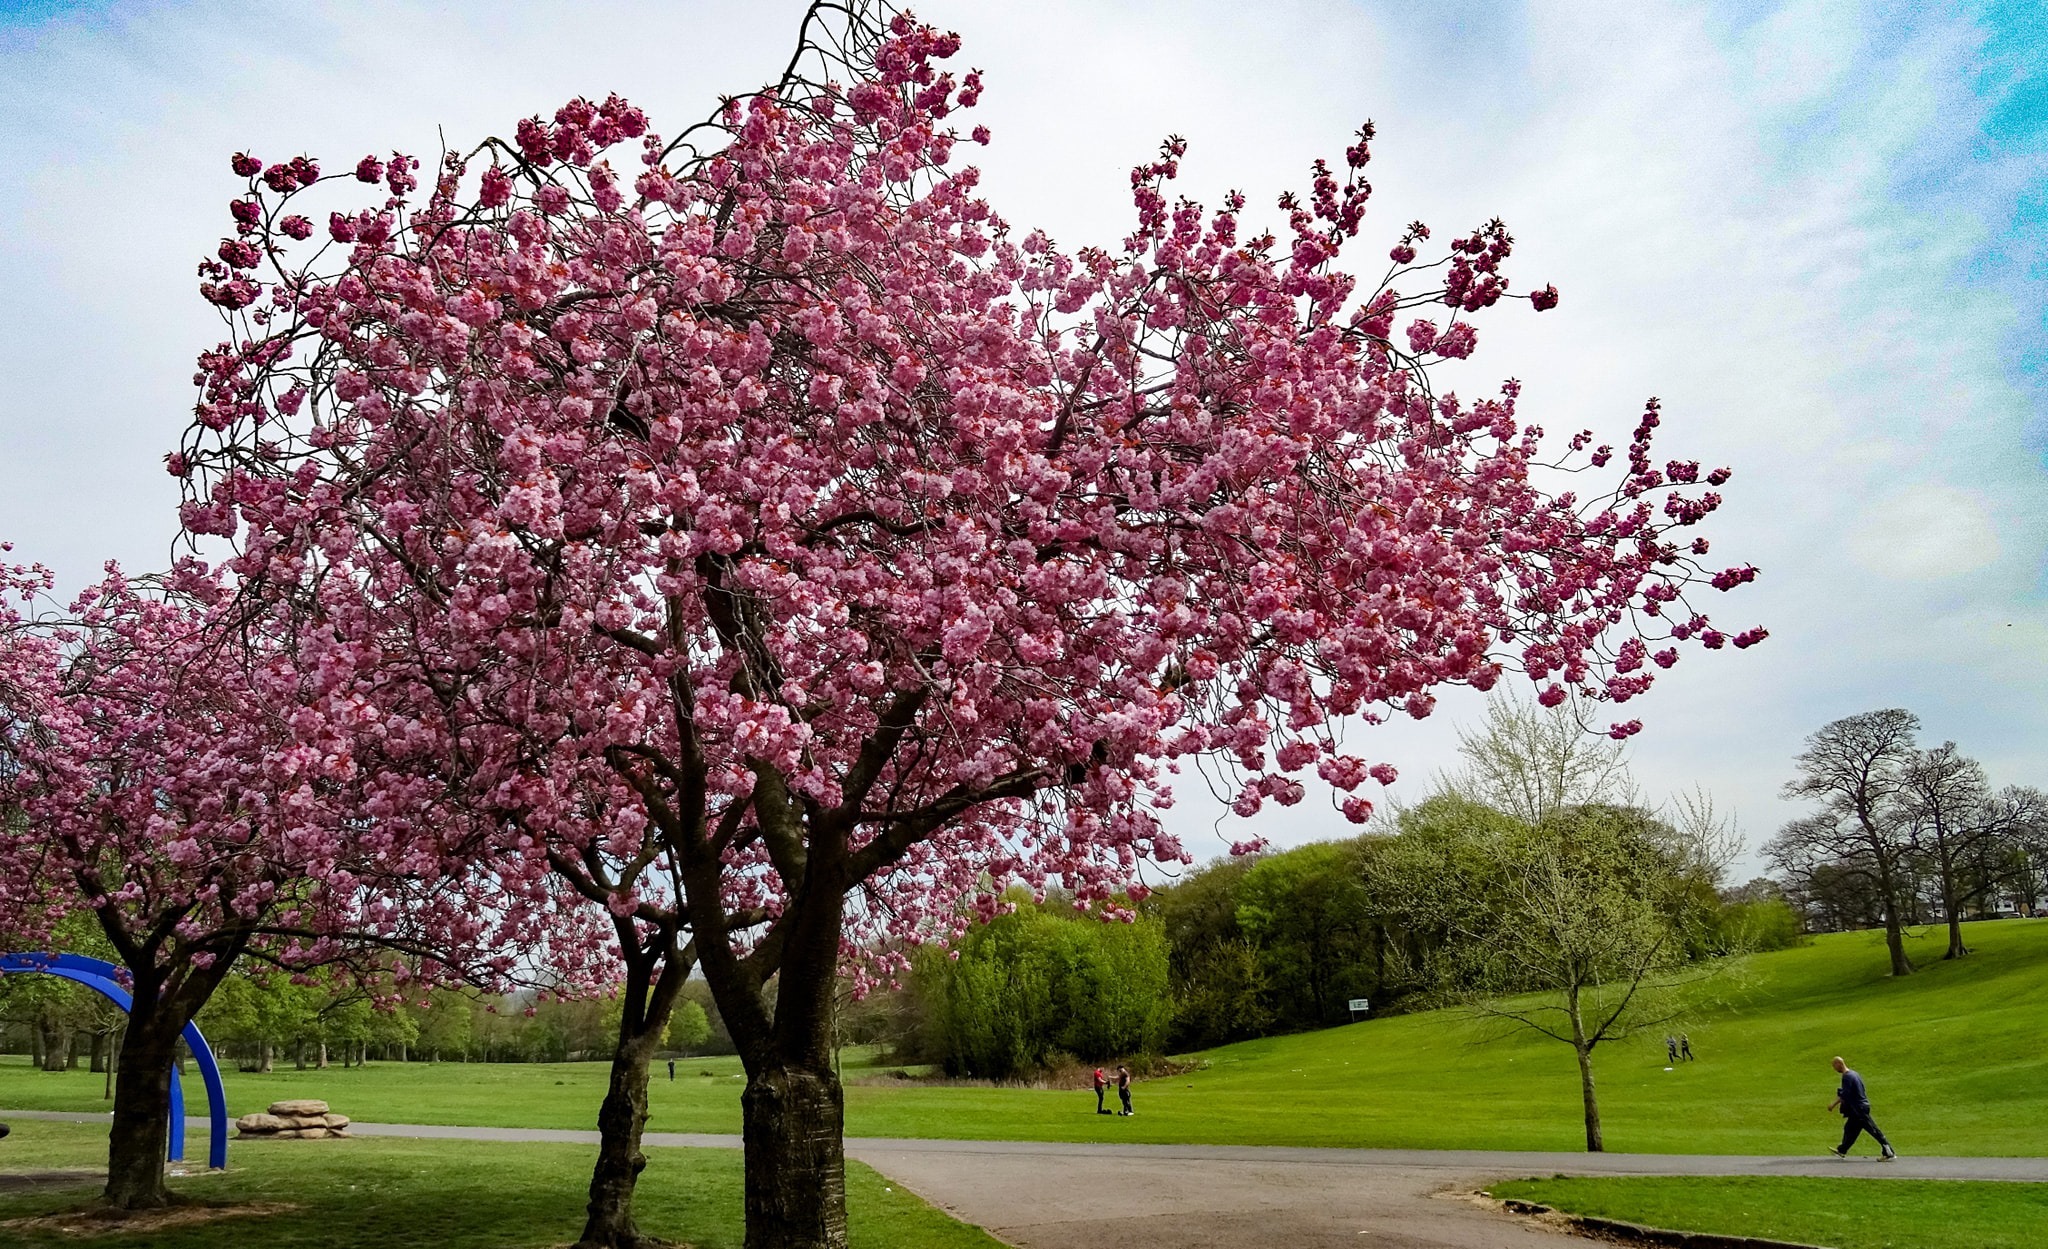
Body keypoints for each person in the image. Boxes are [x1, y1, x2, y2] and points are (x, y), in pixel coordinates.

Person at [1828, 1056, 1897, 1160]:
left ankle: (1889, 1151)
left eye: (1834, 1066)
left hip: (1858, 1109)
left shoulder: (1847, 1077)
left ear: (1839, 1064)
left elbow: (1845, 1095)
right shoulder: (1854, 1074)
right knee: (1850, 1129)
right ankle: (1842, 1150)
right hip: (1860, 1108)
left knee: (1873, 1130)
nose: (1834, 1069)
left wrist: (1833, 1104)